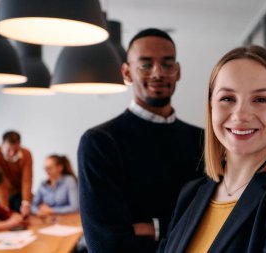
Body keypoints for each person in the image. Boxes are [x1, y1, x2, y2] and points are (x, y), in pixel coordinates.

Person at [157, 45, 266, 253]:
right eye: (227, 98)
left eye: (260, 99)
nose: (240, 115)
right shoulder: (191, 194)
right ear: (211, 106)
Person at [78, 28, 204, 253]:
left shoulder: (203, 140)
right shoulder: (100, 142)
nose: (158, 73)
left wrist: (152, 227)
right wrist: (181, 227)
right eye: (146, 64)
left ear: (178, 71)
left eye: (168, 64)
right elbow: (106, 243)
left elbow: (216, 220)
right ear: (127, 73)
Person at [0, 131, 32, 217]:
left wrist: (26, 203)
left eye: (15, 150)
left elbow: (27, 180)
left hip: (17, 193)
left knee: (21, 218)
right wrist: (4, 208)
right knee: (2, 218)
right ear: (2, 145)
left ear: (19, 145)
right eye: (8, 150)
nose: (12, 153)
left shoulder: (26, 154)